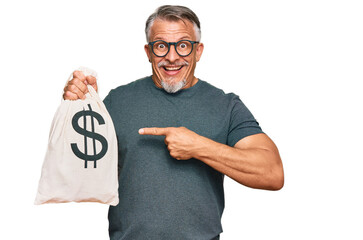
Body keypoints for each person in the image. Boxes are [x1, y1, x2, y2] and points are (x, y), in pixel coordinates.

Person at [63, 5, 284, 240]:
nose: (171, 57)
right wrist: (81, 109)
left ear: (198, 51)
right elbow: (77, 170)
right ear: (148, 52)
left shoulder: (226, 105)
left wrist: (199, 146)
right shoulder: (117, 101)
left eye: (183, 45)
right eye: (161, 46)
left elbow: (272, 173)